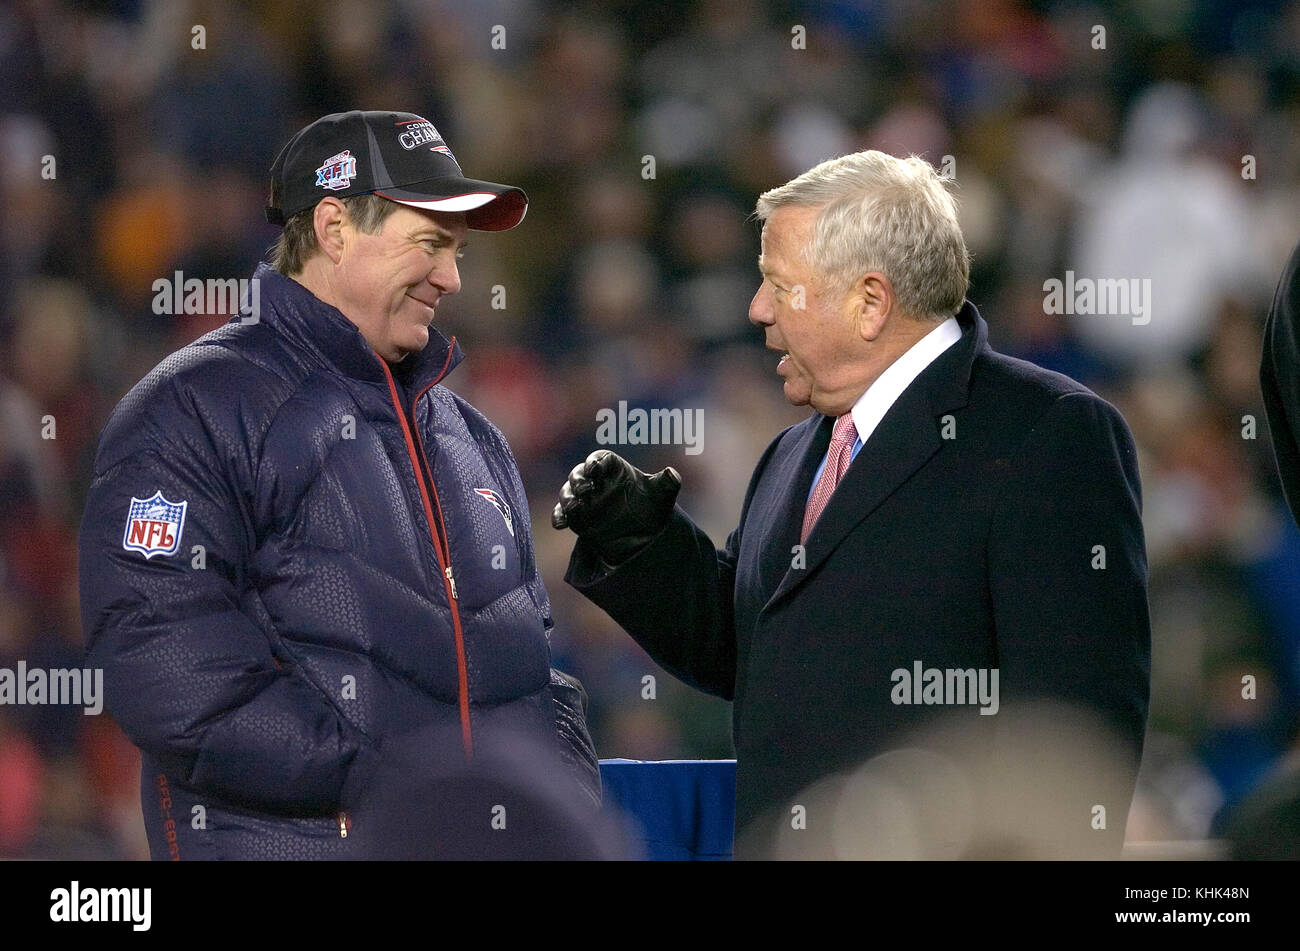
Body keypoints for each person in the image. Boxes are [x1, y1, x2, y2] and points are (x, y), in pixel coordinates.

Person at [553, 150, 1151, 859]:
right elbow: (754, 654)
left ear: (869, 302)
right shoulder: (792, 454)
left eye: (779, 285)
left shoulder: (1047, 433)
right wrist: (641, 545)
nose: (757, 310)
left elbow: (1075, 736)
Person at [78, 110, 599, 860]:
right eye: (430, 244)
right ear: (333, 227)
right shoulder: (194, 407)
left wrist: (552, 801)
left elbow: (533, 671)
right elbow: (169, 668)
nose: (452, 278)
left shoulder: (471, 436)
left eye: (455, 252)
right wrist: (403, 784)